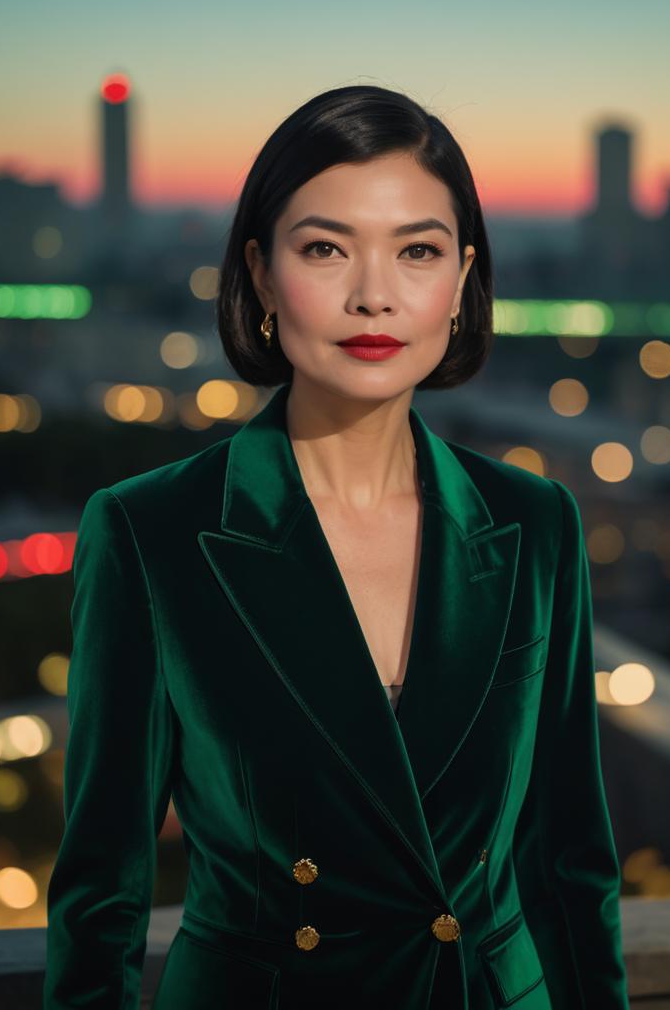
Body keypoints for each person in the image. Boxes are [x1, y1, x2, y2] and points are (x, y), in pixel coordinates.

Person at [43, 84, 629, 1010]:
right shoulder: (151, 533)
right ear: (263, 274)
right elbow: (102, 901)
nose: (374, 295)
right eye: (325, 248)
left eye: (418, 251)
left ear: (464, 279)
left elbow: (569, 868)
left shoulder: (537, 524)